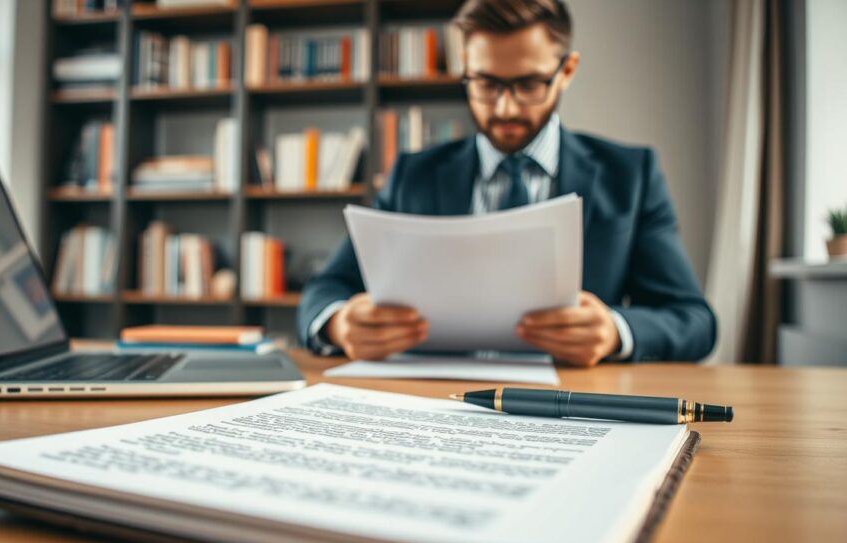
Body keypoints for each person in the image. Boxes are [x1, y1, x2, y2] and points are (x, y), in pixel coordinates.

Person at [297, 0, 716, 366]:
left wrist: (615, 331)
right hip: (432, 400)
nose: (505, 107)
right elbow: (325, 289)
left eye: (528, 84)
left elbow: (694, 320)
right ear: (465, 69)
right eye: (486, 83)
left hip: (572, 405)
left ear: (566, 71)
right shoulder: (413, 174)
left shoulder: (631, 174)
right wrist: (338, 324)